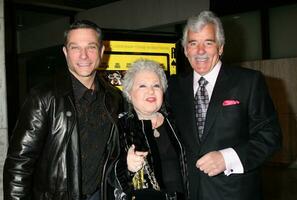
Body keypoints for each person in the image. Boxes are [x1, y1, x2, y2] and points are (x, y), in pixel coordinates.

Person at [167, 11, 282, 200]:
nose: (200, 51)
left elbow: (271, 136)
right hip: (188, 192)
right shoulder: (173, 86)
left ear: (220, 47)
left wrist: (227, 158)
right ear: (186, 50)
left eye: (208, 43)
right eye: (193, 43)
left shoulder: (249, 82)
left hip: (235, 193)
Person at [3, 20, 123, 200]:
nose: (84, 56)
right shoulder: (44, 97)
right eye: (75, 48)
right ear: (65, 52)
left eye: (91, 47)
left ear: (101, 51)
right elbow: (20, 163)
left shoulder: (113, 98)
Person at [112, 59, 188, 200]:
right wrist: (127, 166)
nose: (151, 91)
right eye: (142, 86)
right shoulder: (119, 126)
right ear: (129, 93)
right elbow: (106, 175)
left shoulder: (176, 121)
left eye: (156, 85)